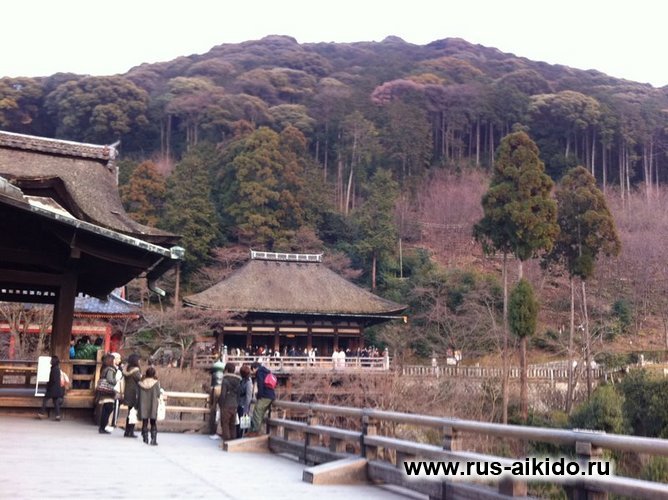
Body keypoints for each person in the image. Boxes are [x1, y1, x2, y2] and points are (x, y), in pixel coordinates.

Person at [246, 361, 275, 436]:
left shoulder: (259, 372)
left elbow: (261, 385)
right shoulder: (266, 372)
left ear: (254, 368)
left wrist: (259, 396)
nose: (253, 373)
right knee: (261, 413)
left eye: (252, 370)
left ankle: (255, 431)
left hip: (265, 395)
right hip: (271, 395)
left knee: (257, 411)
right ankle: (256, 431)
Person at [138, 366, 162, 445]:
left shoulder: (141, 383)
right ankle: (153, 440)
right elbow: (158, 394)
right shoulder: (156, 383)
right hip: (153, 405)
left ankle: (145, 438)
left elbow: (138, 394)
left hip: (143, 405)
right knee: (153, 422)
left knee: (144, 422)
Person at [38, 356, 65, 421]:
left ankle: (41, 413)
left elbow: (52, 380)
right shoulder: (57, 369)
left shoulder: (53, 369)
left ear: (53, 361)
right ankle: (58, 415)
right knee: (55, 402)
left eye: (51, 360)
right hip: (57, 388)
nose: (50, 361)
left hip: (52, 388)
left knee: (45, 399)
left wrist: (48, 385)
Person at [218, 362, 241, 442]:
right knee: (232, 424)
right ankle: (233, 440)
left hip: (226, 404)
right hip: (235, 404)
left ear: (226, 370)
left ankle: (226, 440)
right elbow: (239, 394)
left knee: (225, 423)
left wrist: (221, 403)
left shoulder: (225, 380)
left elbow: (223, 394)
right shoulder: (238, 380)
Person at [122, 353, 142, 438]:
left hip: (128, 393)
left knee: (129, 412)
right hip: (135, 394)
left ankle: (127, 431)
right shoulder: (136, 371)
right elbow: (140, 380)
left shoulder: (127, 369)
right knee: (133, 413)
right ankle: (130, 431)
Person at [97, 353, 118, 434]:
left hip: (104, 391)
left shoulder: (104, 368)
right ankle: (102, 427)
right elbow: (110, 380)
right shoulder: (110, 369)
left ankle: (102, 427)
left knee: (105, 408)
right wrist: (116, 381)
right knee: (108, 408)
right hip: (108, 391)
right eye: (114, 359)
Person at [208, 359, 225, 440]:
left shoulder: (213, 375)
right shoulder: (224, 376)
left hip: (215, 389)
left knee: (214, 410)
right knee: (219, 411)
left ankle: (213, 430)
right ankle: (218, 431)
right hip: (221, 391)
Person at [237, 364, 253, 438]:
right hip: (239, 404)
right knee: (238, 423)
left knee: (243, 424)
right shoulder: (242, 380)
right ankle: (238, 436)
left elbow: (248, 396)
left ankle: (242, 437)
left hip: (244, 405)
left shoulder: (248, 382)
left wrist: (246, 410)